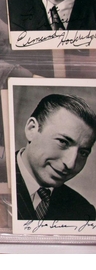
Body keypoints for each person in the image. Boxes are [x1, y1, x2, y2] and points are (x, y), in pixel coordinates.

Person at [15, 93, 96, 221]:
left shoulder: (83, 211)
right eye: (63, 142)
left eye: (83, 153)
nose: (70, 164)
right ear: (31, 129)